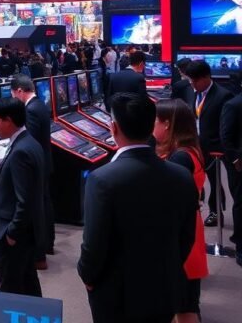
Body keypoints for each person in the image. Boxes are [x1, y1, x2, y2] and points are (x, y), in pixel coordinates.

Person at [78, 94, 198, 323]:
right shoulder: (181, 175)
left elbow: (94, 242)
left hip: (116, 293)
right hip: (164, 287)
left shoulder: (101, 179)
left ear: (113, 128)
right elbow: (186, 237)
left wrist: (88, 275)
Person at [155, 99, 209, 322]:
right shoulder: (185, 151)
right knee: (184, 300)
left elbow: (167, 198)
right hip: (187, 228)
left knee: (185, 304)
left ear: (167, 124)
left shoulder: (181, 157)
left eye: (155, 121)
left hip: (182, 235)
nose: (152, 126)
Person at [0, 97, 46, 297]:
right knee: (28, 280)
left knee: (11, 287)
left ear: (8, 120)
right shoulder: (29, 142)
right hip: (27, 231)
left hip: (16, 233)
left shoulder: (20, 152)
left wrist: (12, 233)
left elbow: (25, 200)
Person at [10, 74, 55, 263]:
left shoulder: (31, 110)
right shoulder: (40, 104)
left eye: (13, 94)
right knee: (44, 203)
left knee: (37, 207)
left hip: (36, 164)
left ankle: (40, 251)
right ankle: (47, 243)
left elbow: (31, 139)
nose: (13, 99)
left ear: (20, 91)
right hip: (44, 160)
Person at [182, 60, 233, 226]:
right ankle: (204, 208)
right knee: (198, 178)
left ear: (206, 77)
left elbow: (227, 125)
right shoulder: (192, 92)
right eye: (190, 81)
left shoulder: (223, 96)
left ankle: (216, 212)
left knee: (216, 181)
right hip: (196, 144)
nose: (192, 84)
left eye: (195, 81)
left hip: (216, 148)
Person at [218, 79, 242, 265]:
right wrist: (235, 159)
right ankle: (240, 246)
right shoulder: (233, 105)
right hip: (239, 165)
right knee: (241, 203)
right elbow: (226, 136)